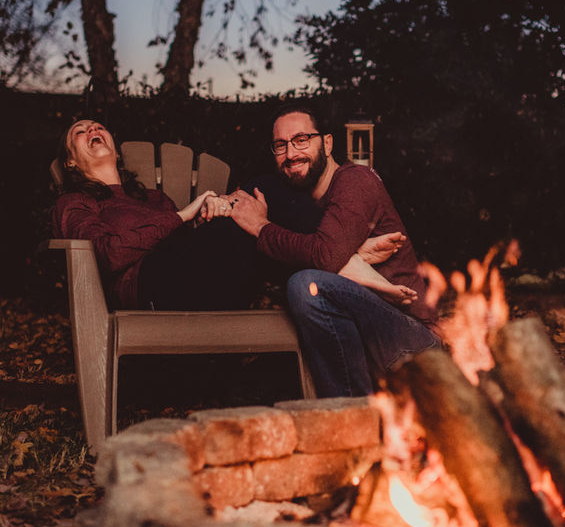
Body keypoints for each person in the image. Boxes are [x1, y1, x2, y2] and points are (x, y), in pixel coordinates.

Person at [229, 107, 440, 397]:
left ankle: (348, 409)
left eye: (302, 140)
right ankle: (353, 414)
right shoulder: (300, 209)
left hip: (414, 342)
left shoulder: (355, 181)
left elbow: (324, 256)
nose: (291, 153)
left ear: (327, 144)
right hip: (368, 342)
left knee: (307, 286)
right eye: (281, 145)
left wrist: (261, 227)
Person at [51, 119, 245, 311]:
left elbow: (186, 240)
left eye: (99, 127)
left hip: (194, 277)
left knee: (239, 218)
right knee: (231, 230)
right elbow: (107, 255)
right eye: (80, 131)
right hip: (144, 289)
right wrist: (181, 216)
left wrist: (208, 211)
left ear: (117, 154)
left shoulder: (155, 198)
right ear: (70, 162)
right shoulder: (75, 202)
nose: (93, 129)